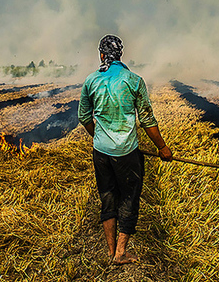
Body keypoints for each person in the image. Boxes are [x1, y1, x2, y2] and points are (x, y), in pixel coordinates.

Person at [78, 34, 172, 265]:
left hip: (100, 153)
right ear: (120, 54)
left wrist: (99, 136)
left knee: (107, 196)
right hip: (127, 153)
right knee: (129, 198)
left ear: (101, 55)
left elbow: (83, 116)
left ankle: (110, 252)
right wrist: (162, 147)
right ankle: (120, 252)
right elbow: (147, 120)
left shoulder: (91, 81)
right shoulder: (134, 80)